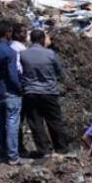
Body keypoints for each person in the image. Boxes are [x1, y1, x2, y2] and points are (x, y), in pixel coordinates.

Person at [20, 29, 68, 157]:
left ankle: (44, 150)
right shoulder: (50, 54)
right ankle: (61, 149)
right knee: (54, 121)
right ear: (42, 39)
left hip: (30, 92)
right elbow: (59, 72)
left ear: (31, 39)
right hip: (49, 92)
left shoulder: (23, 54)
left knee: (36, 123)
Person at [0, 20, 24, 165]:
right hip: (10, 92)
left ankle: (2, 153)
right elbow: (12, 75)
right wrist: (20, 89)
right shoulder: (10, 52)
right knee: (12, 123)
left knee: (1, 124)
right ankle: (13, 156)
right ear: (7, 32)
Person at [10, 23, 27, 157]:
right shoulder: (19, 49)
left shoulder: (10, 46)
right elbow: (19, 70)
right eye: (23, 32)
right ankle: (16, 150)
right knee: (15, 121)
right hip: (17, 88)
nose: (25, 34)